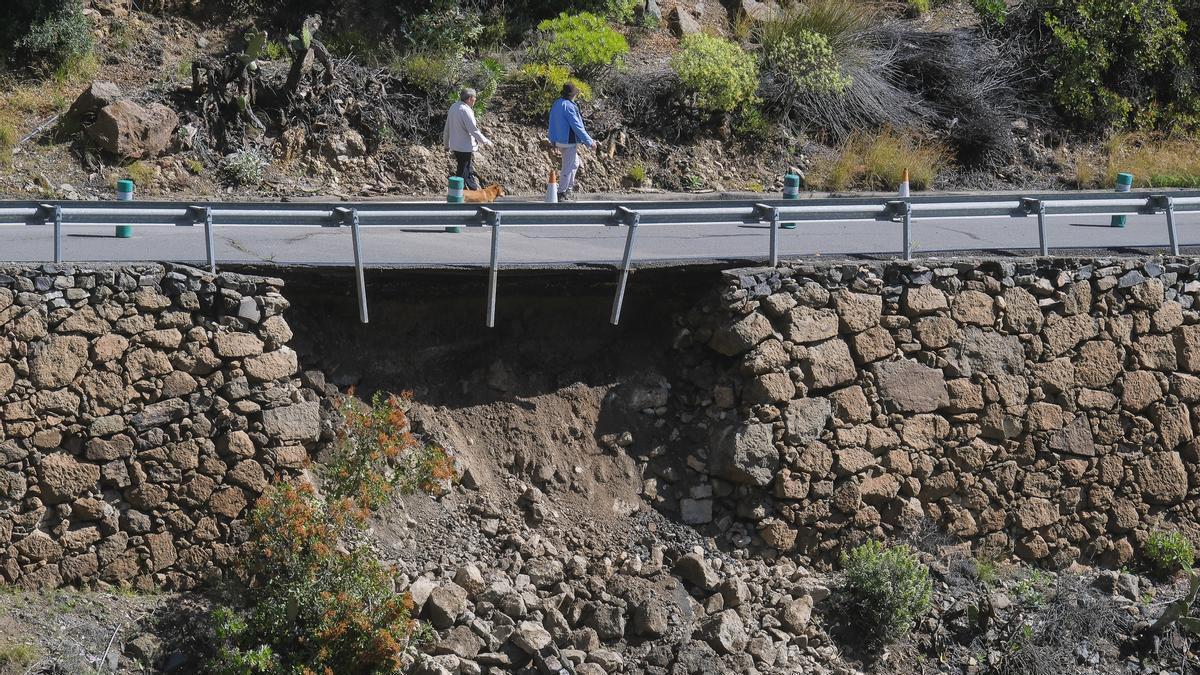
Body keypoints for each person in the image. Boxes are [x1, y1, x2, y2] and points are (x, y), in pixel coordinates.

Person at [548, 82, 595, 201]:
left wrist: (552, 139)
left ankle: (568, 189)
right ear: (572, 95)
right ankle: (562, 192)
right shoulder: (569, 106)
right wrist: (589, 142)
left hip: (559, 140)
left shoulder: (557, 103)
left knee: (575, 163)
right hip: (568, 141)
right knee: (568, 166)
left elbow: (551, 122)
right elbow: (576, 126)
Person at [443, 87, 493, 190]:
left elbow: (447, 127)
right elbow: (473, 130)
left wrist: (446, 144)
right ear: (470, 98)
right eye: (475, 98)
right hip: (464, 147)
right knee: (462, 171)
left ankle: (473, 189)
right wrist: (486, 141)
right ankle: (456, 192)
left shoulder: (453, 107)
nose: (475, 100)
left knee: (467, 168)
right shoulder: (466, 110)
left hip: (455, 146)